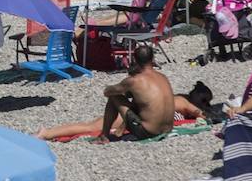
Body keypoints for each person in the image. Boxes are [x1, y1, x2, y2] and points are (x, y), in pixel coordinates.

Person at [36, 46, 175, 140]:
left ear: (135, 60)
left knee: (114, 96)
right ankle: (112, 131)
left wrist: (126, 84)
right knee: (139, 99)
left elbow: (108, 92)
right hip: (167, 129)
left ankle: (104, 135)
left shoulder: (135, 81)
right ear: (152, 60)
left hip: (149, 131)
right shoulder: (163, 77)